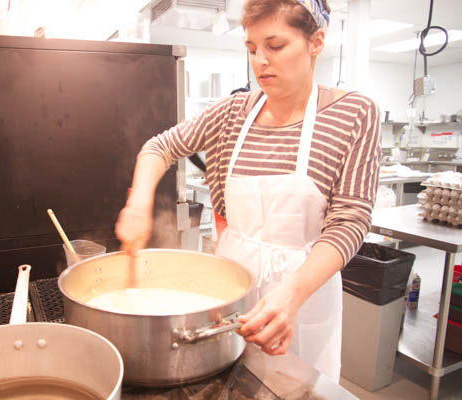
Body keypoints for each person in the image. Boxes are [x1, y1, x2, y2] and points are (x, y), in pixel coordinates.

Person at [115, 0, 380, 383]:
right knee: (224, 381)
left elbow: (349, 222)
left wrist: (291, 295)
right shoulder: (233, 112)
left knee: (294, 386)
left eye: (275, 46)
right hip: (229, 281)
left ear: (316, 42)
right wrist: (139, 203)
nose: (260, 62)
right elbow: (160, 147)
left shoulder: (354, 113)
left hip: (304, 287)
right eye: (252, 48)